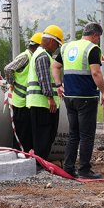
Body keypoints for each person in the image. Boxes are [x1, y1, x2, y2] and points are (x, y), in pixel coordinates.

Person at [52, 23, 104, 179]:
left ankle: (68, 168)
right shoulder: (92, 49)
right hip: (86, 97)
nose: (98, 41)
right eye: (98, 38)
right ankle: (84, 170)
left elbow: (55, 66)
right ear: (95, 35)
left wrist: (58, 85)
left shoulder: (66, 47)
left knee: (73, 134)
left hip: (69, 98)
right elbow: (96, 73)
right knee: (87, 135)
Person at [27, 25, 63, 162]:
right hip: (42, 103)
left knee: (44, 135)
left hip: (39, 103)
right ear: (52, 41)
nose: (57, 48)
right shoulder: (43, 56)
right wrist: (50, 98)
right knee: (44, 136)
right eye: (57, 44)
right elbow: (44, 78)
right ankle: (41, 163)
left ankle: (41, 162)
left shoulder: (41, 54)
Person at [1, 32, 41, 152]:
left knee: (26, 131)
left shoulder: (32, 57)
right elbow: (8, 68)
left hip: (26, 100)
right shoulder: (25, 56)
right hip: (20, 99)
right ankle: (19, 153)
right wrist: (12, 84)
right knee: (21, 131)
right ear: (37, 46)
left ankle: (25, 153)